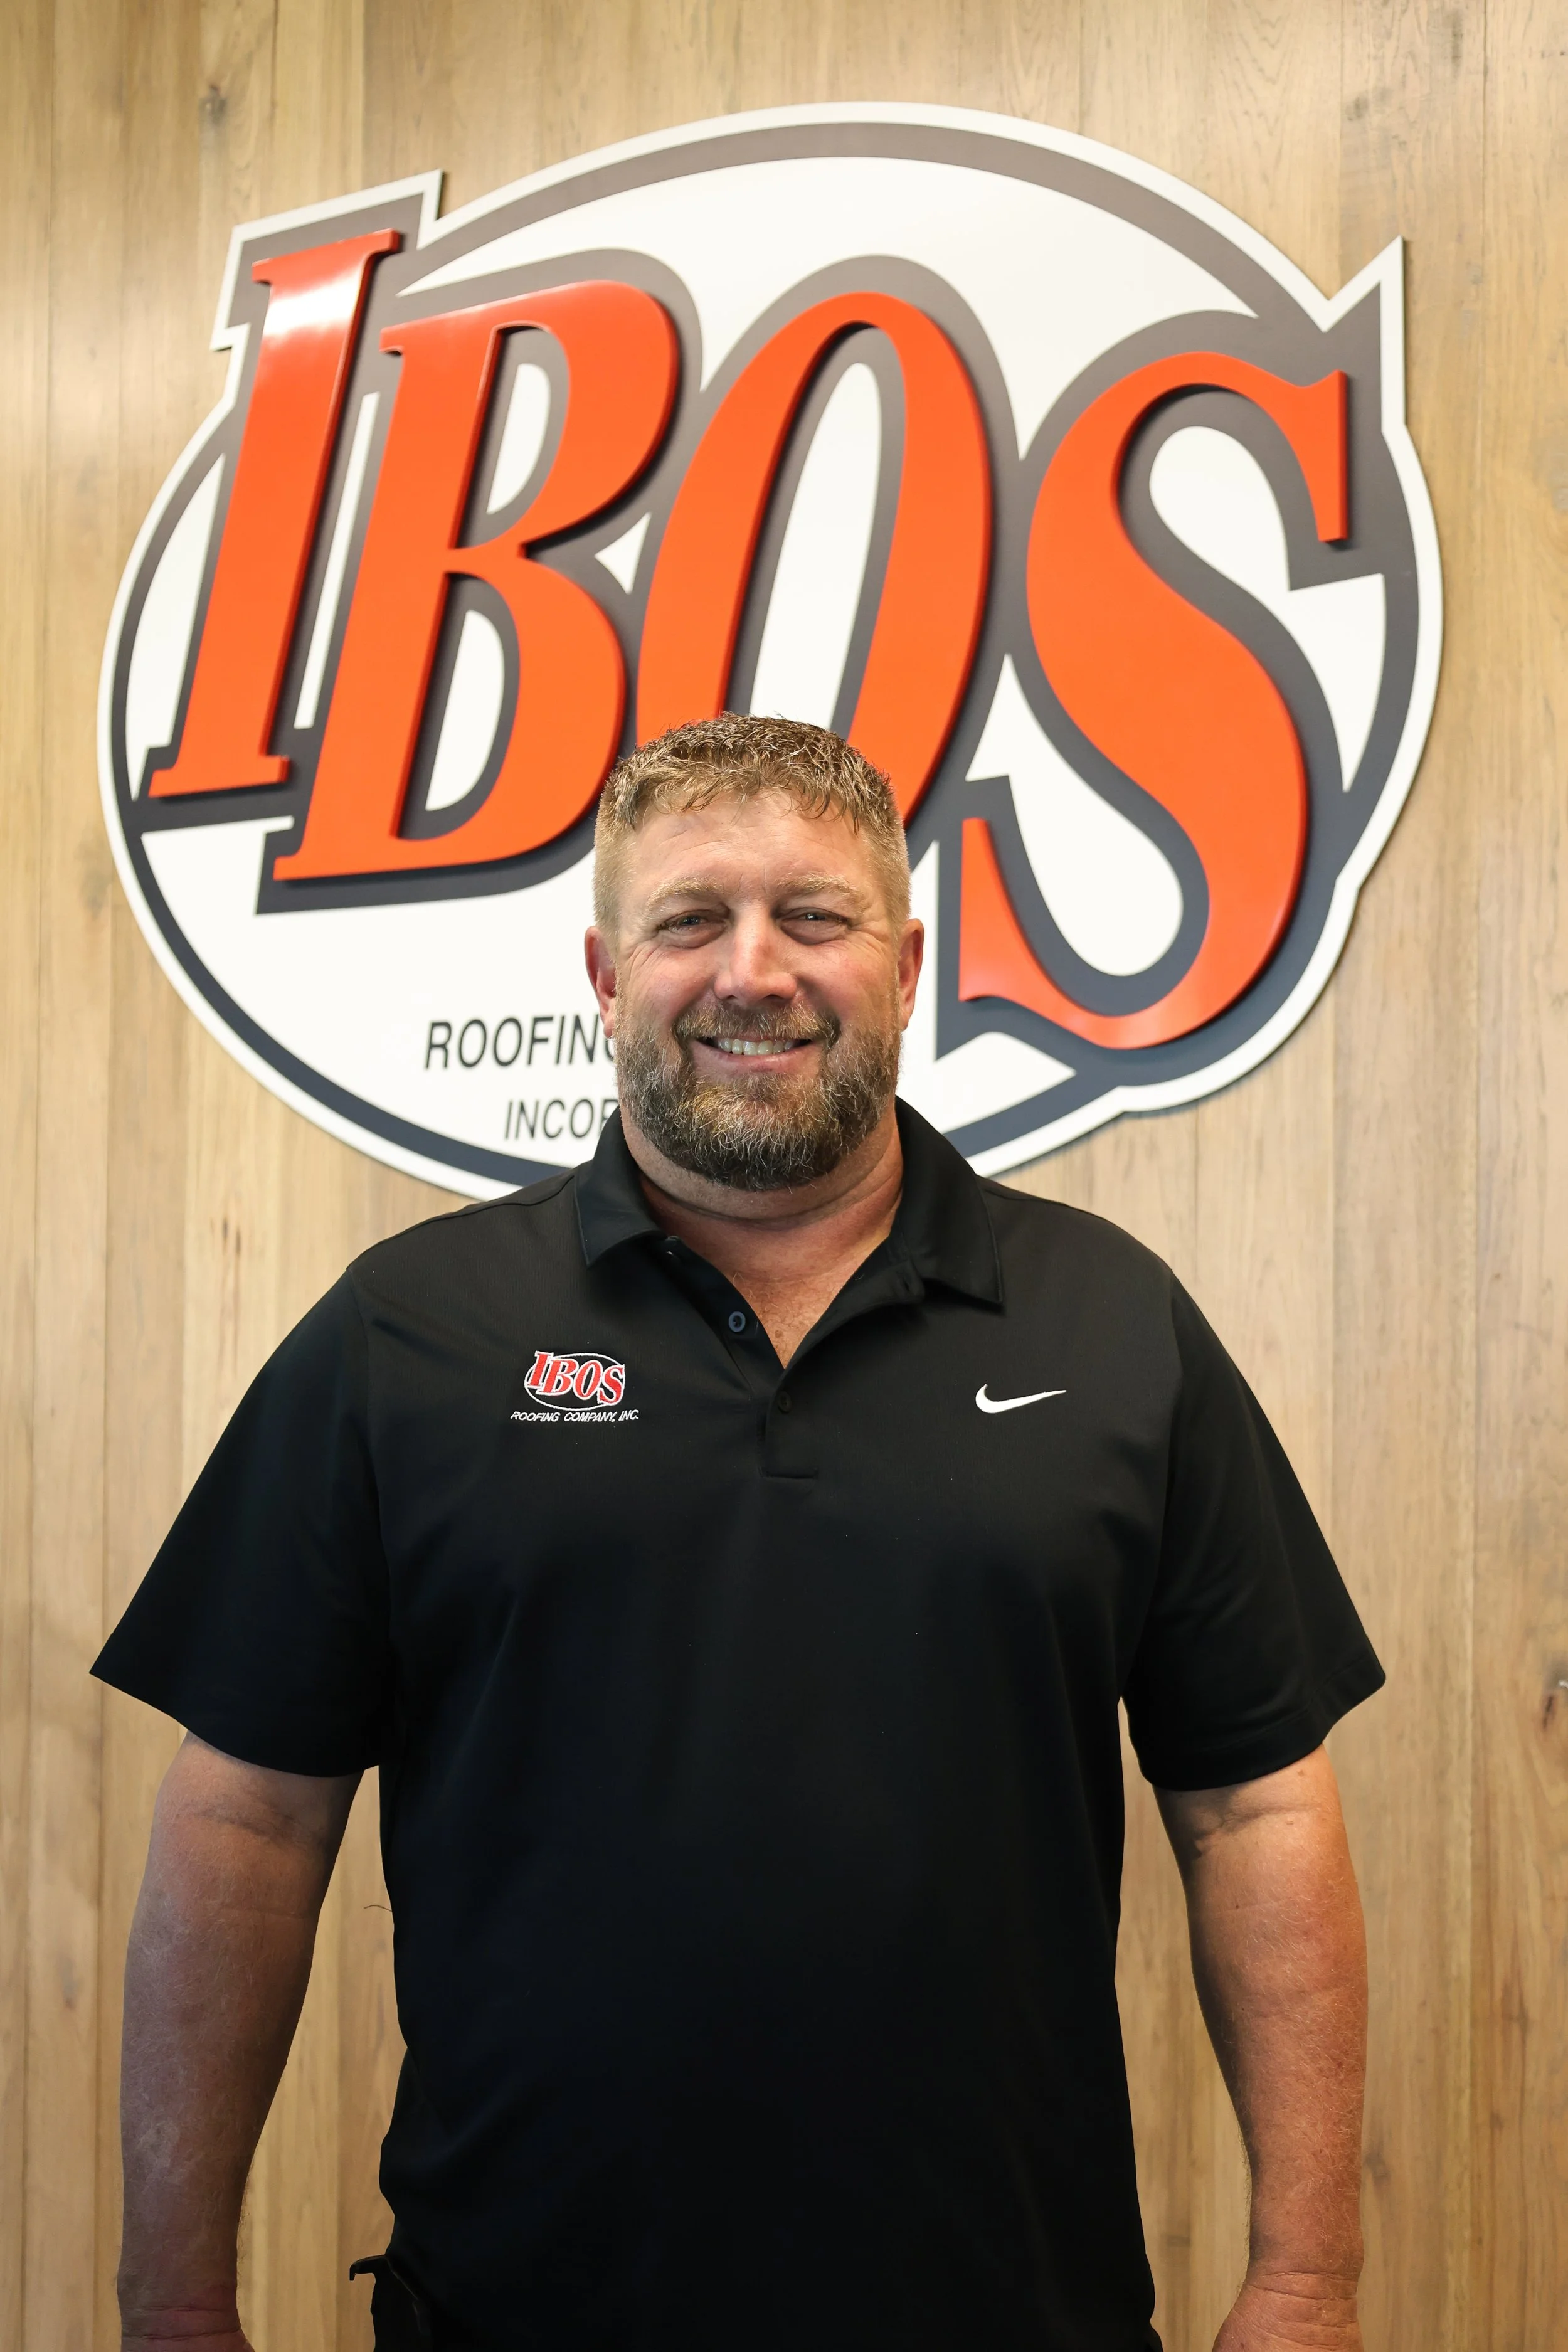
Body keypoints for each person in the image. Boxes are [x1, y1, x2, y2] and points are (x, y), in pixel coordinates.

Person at [98, 714, 1382, 2352]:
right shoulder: (410, 1333)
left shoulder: (1112, 1324)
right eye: (690, 920)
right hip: (518, 2314)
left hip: (1009, 2310)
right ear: (604, 973)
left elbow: (1254, 1807)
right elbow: (248, 1820)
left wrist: (1305, 2279)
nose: (752, 971)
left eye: (813, 916)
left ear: (906, 965)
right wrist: (175, 2297)